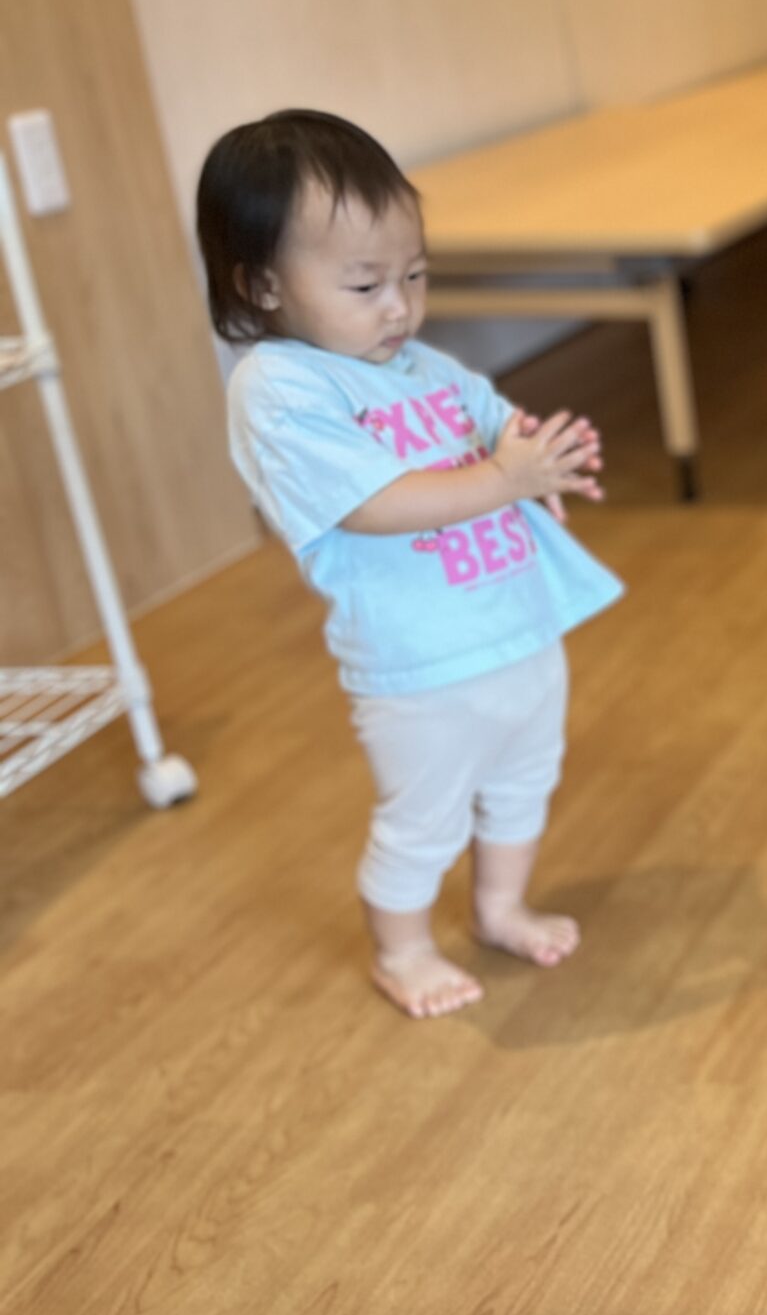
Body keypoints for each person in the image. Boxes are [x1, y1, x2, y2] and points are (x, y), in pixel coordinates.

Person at [206, 110, 623, 1019]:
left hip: (515, 629)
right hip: (419, 665)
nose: (398, 305)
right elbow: (375, 504)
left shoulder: (423, 365)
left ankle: (502, 906)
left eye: (414, 275)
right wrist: (502, 477)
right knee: (423, 816)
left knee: (525, 781)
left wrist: (535, 454)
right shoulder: (282, 387)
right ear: (264, 284)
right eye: (364, 284)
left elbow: (491, 421)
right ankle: (401, 952)